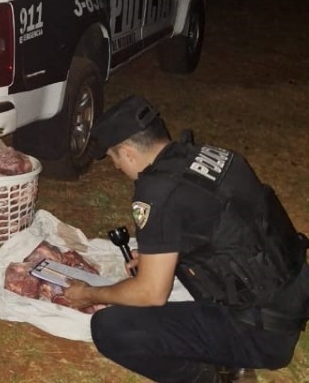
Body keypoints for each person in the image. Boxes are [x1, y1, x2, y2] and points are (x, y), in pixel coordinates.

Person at [64, 95, 309, 383]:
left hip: (258, 332)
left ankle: (215, 377)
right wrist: (164, 255)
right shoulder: (216, 156)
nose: (117, 168)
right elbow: (230, 229)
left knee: (110, 327)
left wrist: (90, 293)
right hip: (289, 301)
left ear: (128, 152)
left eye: (115, 158)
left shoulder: (158, 192)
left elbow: (151, 294)